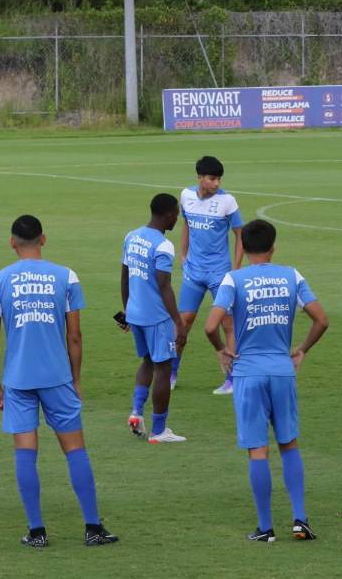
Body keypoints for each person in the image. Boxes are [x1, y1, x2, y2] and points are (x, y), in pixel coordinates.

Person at [0, 216, 117, 547]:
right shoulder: (66, 276)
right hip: (58, 377)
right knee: (75, 450)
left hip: (17, 379)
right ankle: (92, 527)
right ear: (43, 239)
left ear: (12, 242)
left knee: (25, 453)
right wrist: (76, 379)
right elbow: (75, 336)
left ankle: (37, 531)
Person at [205, 219, 328, 542]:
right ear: (273, 247)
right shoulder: (292, 276)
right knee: (289, 444)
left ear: (242, 247)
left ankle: (265, 527)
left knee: (258, 450)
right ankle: (300, 519)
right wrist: (300, 350)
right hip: (282, 370)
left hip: (248, 372)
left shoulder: (233, 279)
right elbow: (321, 319)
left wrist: (221, 349)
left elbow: (210, 325)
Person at [174, 156, 244, 394]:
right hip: (193, 272)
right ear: (200, 178)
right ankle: (172, 373)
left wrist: (235, 268)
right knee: (183, 323)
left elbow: (240, 234)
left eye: (218, 179)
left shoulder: (227, 201)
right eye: (212, 178)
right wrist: (182, 254)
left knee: (228, 324)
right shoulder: (186, 196)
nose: (216, 183)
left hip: (220, 273)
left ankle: (232, 379)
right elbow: (186, 224)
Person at [122, 193, 187, 443]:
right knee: (163, 367)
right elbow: (164, 285)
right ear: (168, 214)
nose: (177, 219)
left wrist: (127, 309)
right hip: (157, 317)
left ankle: (137, 412)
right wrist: (178, 322)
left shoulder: (132, 236)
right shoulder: (163, 245)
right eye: (176, 214)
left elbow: (124, 274)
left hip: (136, 312)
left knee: (147, 362)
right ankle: (159, 431)